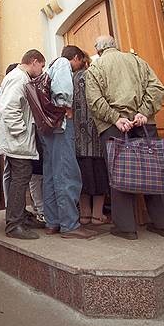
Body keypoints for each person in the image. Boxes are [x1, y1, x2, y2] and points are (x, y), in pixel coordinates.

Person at [85, 35, 164, 240]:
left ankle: (126, 228)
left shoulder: (95, 69)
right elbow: (157, 88)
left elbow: (94, 100)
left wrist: (116, 118)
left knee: (121, 174)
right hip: (145, 123)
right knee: (153, 170)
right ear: (115, 45)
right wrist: (143, 111)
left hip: (114, 128)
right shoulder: (138, 61)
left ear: (98, 50)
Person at [40, 46, 97, 239]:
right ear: (75, 58)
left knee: (50, 173)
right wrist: (66, 107)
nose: (80, 66)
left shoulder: (49, 67)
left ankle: (52, 222)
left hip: (47, 128)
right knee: (66, 171)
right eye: (81, 62)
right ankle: (70, 224)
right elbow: (63, 89)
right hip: (61, 125)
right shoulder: (63, 63)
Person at [0, 49, 46, 239]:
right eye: (42, 66)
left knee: (17, 179)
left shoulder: (19, 77)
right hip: (16, 141)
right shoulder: (19, 78)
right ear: (34, 62)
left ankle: (20, 217)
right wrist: (21, 132)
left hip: (16, 141)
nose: (42, 70)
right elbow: (10, 107)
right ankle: (14, 225)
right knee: (20, 179)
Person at [73, 53, 110, 225]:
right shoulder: (93, 74)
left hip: (77, 139)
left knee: (82, 177)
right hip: (95, 133)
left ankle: (84, 215)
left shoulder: (69, 78)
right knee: (100, 174)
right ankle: (97, 215)